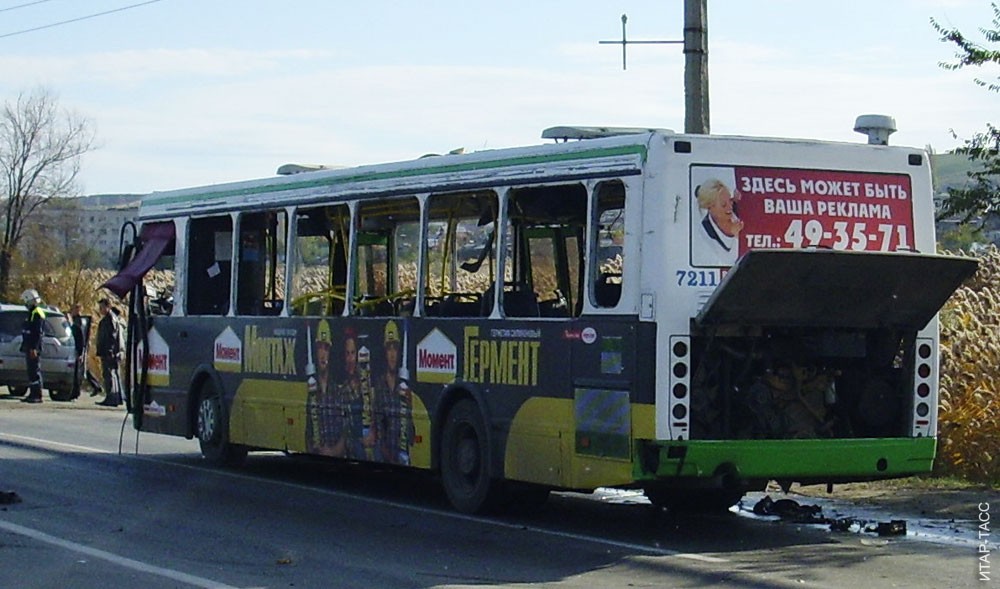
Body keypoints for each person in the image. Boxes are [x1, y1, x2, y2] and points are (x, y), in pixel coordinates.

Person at [693, 178, 744, 266]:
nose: (730, 208)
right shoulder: (707, 230)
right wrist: (736, 236)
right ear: (710, 207)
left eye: (730, 200)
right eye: (723, 205)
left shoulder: (736, 209)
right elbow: (729, 261)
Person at [67, 303, 102, 399]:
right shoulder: (80, 320)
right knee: (83, 370)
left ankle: (76, 392)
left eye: (73, 309)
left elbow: (80, 337)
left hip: (78, 349)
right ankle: (95, 385)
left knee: (78, 372)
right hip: (79, 348)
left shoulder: (78, 322)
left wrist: (81, 352)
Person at [19, 289, 45, 404]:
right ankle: (32, 393)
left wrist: (34, 347)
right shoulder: (32, 312)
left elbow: (37, 332)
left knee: (34, 370)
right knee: (31, 371)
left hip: (33, 347)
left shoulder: (37, 313)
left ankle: (36, 395)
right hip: (29, 346)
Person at [95, 298, 122, 407]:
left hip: (108, 352)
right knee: (113, 374)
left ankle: (111, 397)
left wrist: (109, 350)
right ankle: (116, 397)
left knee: (109, 374)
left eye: (102, 307)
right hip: (108, 351)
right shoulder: (110, 318)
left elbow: (111, 336)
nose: (100, 310)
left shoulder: (110, 319)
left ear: (108, 307)